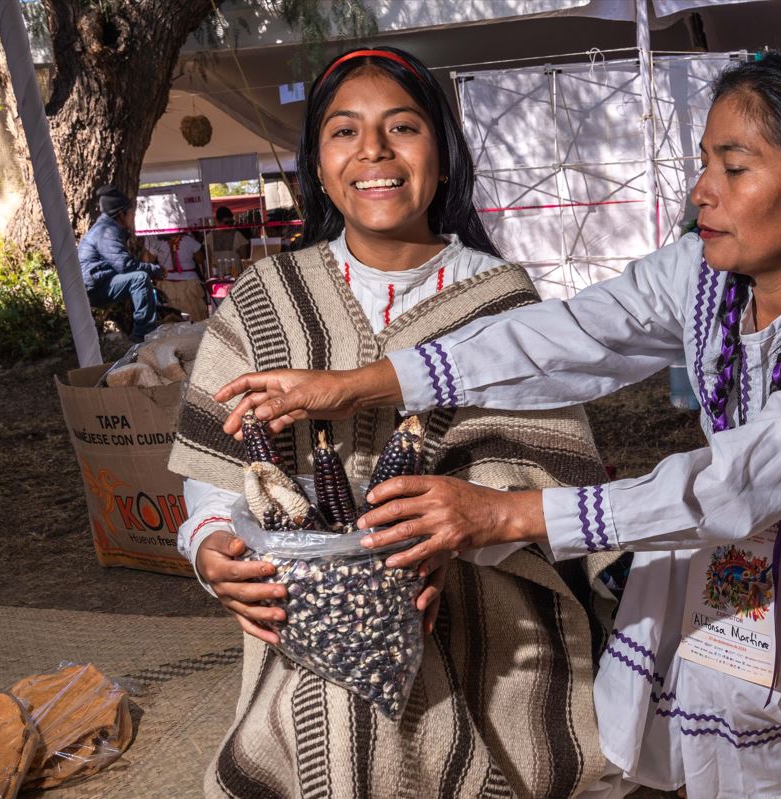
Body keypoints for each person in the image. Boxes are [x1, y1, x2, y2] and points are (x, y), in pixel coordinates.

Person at [218, 49, 781, 798]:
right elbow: (561, 338)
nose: (700, 190)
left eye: (733, 168)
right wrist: (357, 385)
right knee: (655, 675)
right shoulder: (704, 277)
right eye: (704, 161)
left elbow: (744, 481)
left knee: (715, 682)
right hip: (768, 552)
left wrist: (505, 512)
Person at [167, 46, 615, 798]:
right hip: (306, 601)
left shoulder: (499, 300)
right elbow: (217, 468)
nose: (372, 151)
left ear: (441, 156)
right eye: (344, 132)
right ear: (316, 162)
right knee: (339, 691)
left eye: (401, 128)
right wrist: (211, 545)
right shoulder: (264, 297)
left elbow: (547, 472)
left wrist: (456, 533)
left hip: (481, 599)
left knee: (374, 709)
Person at [79, 186, 163, 341]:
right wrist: (154, 269)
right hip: (94, 289)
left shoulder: (107, 228)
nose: (133, 218)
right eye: (131, 213)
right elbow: (125, 266)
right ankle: (143, 336)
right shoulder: (107, 231)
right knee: (139, 278)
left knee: (139, 278)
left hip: (100, 283)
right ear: (120, 214)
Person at [157, 230, 210, 321]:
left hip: (168, 283)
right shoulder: (189, 240)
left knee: (171, 316)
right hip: (189, 283)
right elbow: (200, 260)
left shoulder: (157, 242)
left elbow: (147, 260)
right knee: (194, 315)